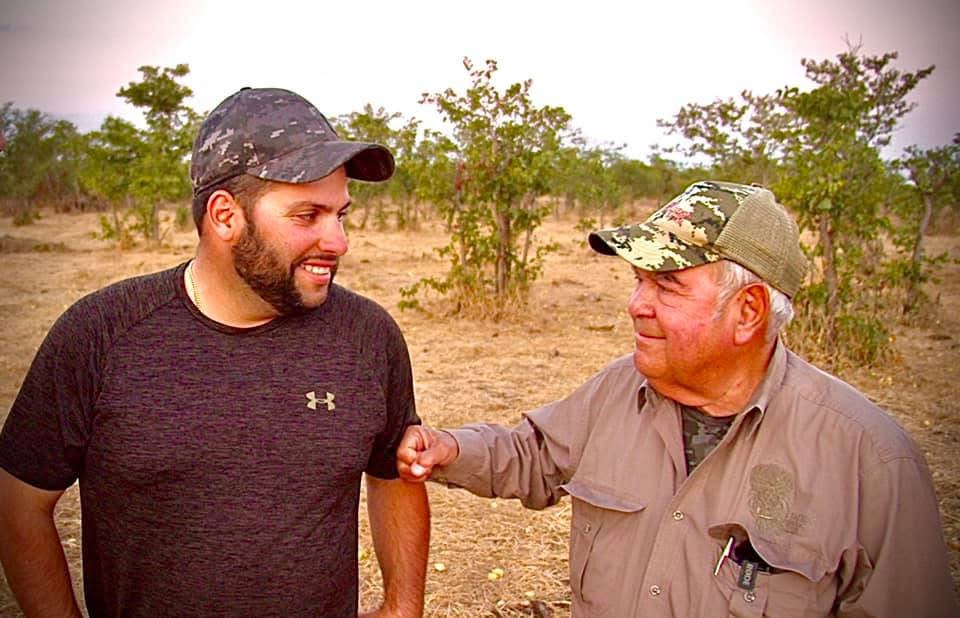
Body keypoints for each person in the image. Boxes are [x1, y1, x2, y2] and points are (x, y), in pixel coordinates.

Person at [398, 180, 958, 617]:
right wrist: (449, 448)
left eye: (667, 286)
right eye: (638, 281)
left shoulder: (870, 461)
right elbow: (535, 456)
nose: (637, 305)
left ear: (748, 312)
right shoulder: (618, 390)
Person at [0, 87, 429, 617]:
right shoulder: (102, 334)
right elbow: (19, 502)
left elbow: (397, 470)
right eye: (307, 216)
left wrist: (403, 606)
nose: (338, 241)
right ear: (225, 216)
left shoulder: (368, 336)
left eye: (341, 215)